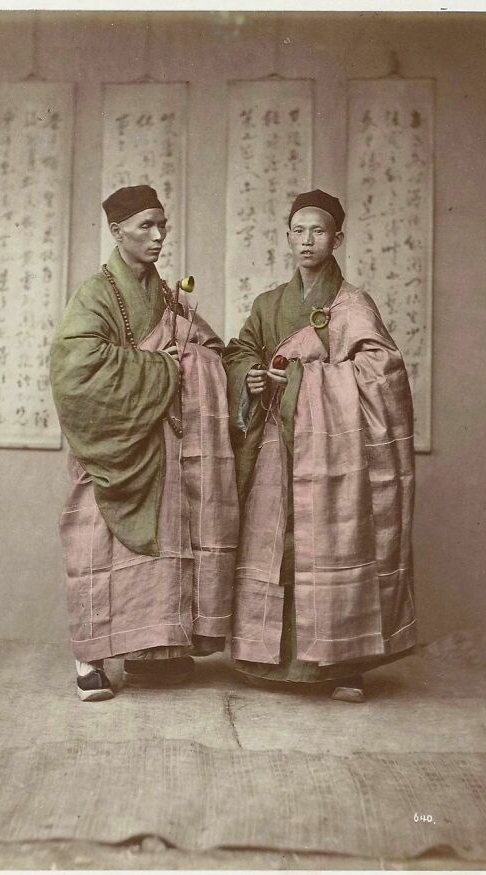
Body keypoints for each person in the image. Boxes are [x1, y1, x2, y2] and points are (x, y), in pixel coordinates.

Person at [223, 189, 416, 702]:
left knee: (332, 545)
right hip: (274, 444)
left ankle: (343, 662)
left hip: (331, 451)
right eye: (299, 230)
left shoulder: (351, 304)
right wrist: (252, 379)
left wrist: (305, 383)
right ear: (287, 237)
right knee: (274, 545)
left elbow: (381, 371)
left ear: (337, 239)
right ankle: (267, 658)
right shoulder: (268, 304)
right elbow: (240, 351)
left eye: (319, 231)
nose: (307, 240)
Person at [50, 185, 238, 701]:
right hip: (114, 445)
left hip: (166, 447)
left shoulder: (170, 297)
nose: (157, 237)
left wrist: (193, 362)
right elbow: (76, 371)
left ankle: (152, 655)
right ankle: (89, 658)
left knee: (161, 551)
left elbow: (210, 350)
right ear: (117, 232)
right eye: (144, 227)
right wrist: (161, 367)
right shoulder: (94, 295)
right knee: (95, 542)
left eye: (162, 225)